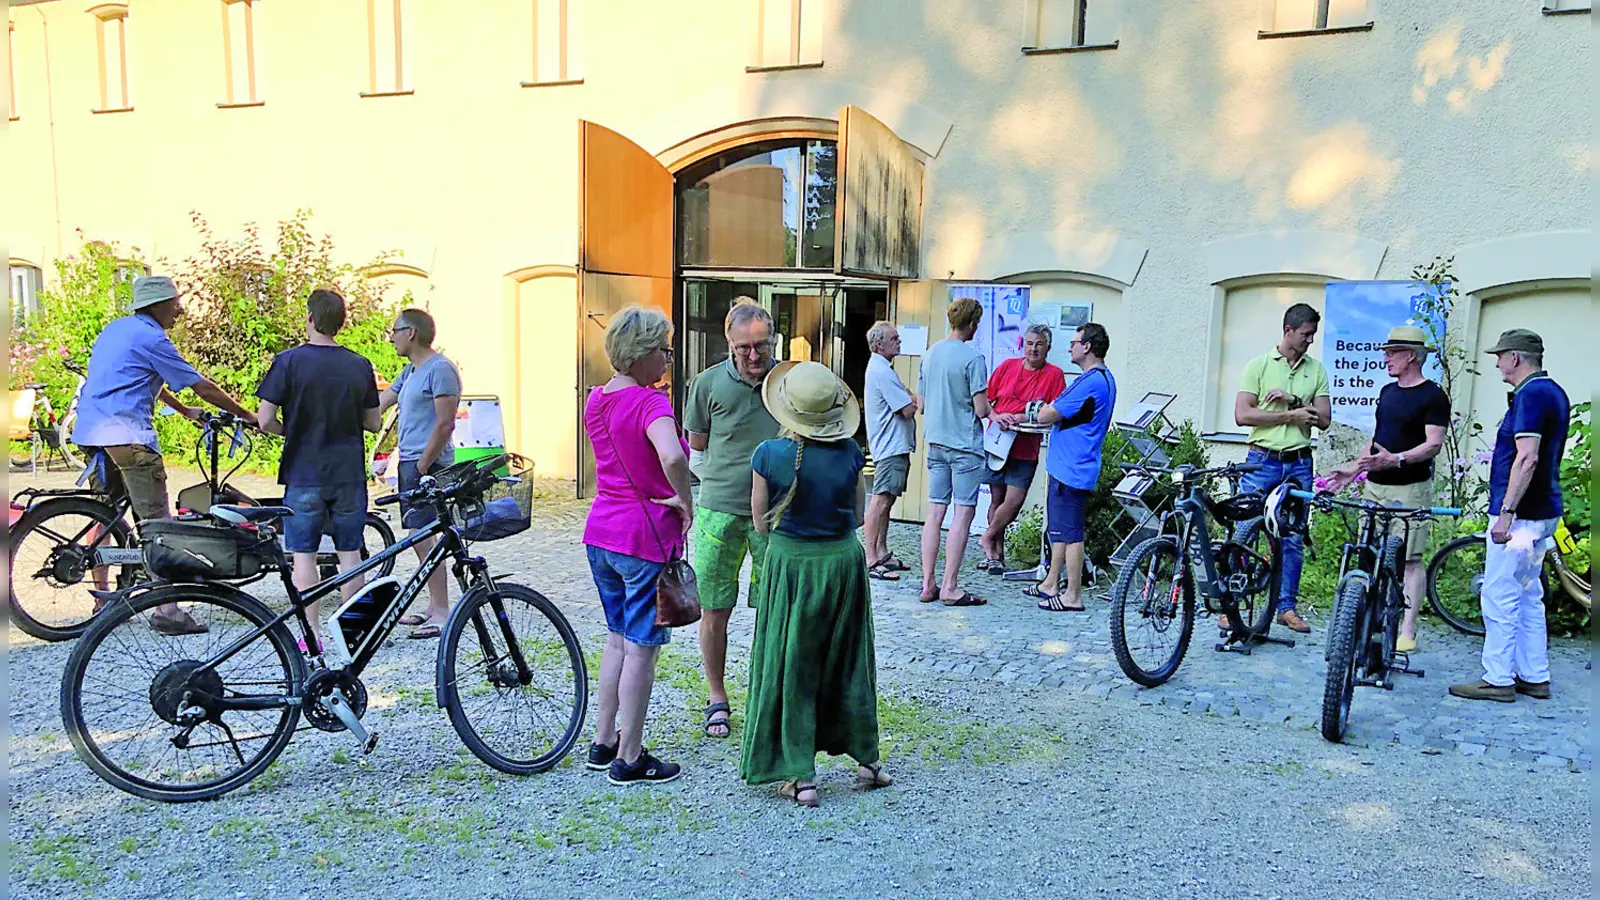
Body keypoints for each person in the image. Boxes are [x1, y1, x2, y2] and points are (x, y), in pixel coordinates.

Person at [72, 275, 258, 636]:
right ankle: (168, 612)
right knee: (159, 524)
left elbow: (137, 378)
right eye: (175, 302)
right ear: (157, 305)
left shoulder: (117, 330)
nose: (180, 309)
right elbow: (201, 384)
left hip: (93, 434)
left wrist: (182, 409)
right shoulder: (152, 337)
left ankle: (101, 597)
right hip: (128, 436)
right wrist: (245, 415)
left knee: (105, 512)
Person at [744, 361, 890, 807]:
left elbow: (759, 522)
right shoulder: (850, 453)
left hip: (792, 568)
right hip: (843, 566)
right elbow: (859, 513)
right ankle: (867, 760)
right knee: (848, 663)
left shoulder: (767, 455)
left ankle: (800, 775)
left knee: (792, 666)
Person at [581, 306, 691, 785]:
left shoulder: (596, 401)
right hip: (642, 538)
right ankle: (630, 756)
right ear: (643, 353)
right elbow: (670, 454)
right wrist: (684, 500)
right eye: (664, 350)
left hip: (601, 532)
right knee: (642, 648)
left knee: (616, 640)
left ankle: (603, 742)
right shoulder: (651, 404)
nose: (668, 359)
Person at [255, 290, 382, 651]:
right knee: (349, 552)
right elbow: (373, 423)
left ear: (310, 318)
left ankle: (310, 636)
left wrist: (289, 430)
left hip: (303, 470)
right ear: (341, 322)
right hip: (348, 472)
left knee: (304, 555)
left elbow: (265, 420)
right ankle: (354, 636)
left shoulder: (288, 362)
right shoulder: (359, 364)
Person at [1450, 330, 1569, 703]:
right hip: (1542, 512)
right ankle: (1535, 675)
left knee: (1499, 591)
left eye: (1499, 356)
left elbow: (1528, 457)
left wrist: (1506, 513)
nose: (1497, 362)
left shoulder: (1531, 395)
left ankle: (1498, 678)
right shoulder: (1553, 391)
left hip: (1521, 517)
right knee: (1528, 592)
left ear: (1515, 358)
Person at [685, 299, 780, 739]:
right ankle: (717, 696)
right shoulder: (706, 385)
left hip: (776, 516)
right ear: (729, 341)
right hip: (718, 512)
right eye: (744, 347)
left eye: (761, 345)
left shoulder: (787, 383)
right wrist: (718, 487)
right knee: (714, 608)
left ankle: (767, 694)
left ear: (773, 340)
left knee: (774, 610)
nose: (754, 355)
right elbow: (697, 447)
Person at [1323, 325, 1449, 653]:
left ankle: (1408, 631)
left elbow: (1433, 445)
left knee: (1409, 560)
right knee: (1368, 552)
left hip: (1409, 489)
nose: (1386, 358)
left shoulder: (1433, 396)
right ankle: (1368, 619)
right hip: (1375, 488)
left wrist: (1397, 460)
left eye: (1392, 353)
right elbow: (1377, 439)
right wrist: (1354, 469)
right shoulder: (1387, 392)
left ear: (1411, 356)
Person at [1233, 302, 1331, 634]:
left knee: (1292, 536)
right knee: (1245, 532)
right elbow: (1243, 415)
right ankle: (1233, 603)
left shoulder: (1315, 370)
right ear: (1288, 330)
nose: (1310, 340)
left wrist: (1293, 401)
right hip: (1261, 460)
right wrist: (1289, 417)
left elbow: (1324, 420)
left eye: (1312, 335)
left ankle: (1285, 608)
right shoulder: (1258, 366)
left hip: (1298, 463)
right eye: (1305, 334)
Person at [377, 308, 461, 639]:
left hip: (429, 465)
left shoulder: (440, 370)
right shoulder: (411, 371)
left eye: (395, 331)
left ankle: (442, 611)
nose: (392, 337)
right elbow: (381, 403)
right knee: (418, 537)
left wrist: (425, 463)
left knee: (426, 537)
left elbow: (445, 423)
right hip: (411, 462)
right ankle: (433, 603)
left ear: (411, 333)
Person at [1020, 324, 1116, 612]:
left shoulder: (1090, 381)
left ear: (1087, 347)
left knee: (1071, 533)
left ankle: (1072, 594)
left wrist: (1038, 410)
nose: (1070, 347)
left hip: (1073, 466)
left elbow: (1049, 413)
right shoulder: (1102, 378)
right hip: (1074, 464)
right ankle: (1051, 582)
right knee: (1060, 529)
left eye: (1074, 342)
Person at [917, 297, 991, 606]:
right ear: (973, 324)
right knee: (962, 514)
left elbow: (921, 405)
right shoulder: (973, 359)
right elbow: (981, 409)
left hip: (935, 441)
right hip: (963, 445)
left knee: (934, 513)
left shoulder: (930, 354)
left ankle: (927, 584)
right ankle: (950, 586)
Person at [980, 323, 1066, 573]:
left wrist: (1020, 417)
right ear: (1022, 344)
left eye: (1039, 344)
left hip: (1026, 446)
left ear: (1048, 348)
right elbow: (987, 399)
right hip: (998, 442)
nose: (1033, 349)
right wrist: (996, 415)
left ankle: (987, 536)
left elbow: (1053, 410)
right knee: (996, 499)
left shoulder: (1055, 374)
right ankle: (996, 555)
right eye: (1030, 343)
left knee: (1014, 501)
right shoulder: (1007, 367)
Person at [861, 320, 919, 580]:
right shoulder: (882, 371)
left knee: (888, 501)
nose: (899, 341)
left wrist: (909, 396)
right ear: (878, 343)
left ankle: (881, 551)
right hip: (889, 446)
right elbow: (907, 408)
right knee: (880, 500)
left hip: (893, 445)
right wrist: (914, 398)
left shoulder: (883, 368)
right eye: (894, 338)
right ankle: (871, 557)